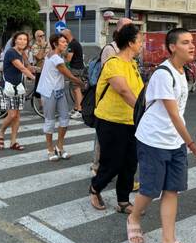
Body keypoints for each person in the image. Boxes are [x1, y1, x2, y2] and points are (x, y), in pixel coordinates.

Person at [127, 28, 196, 243]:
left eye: (192, 42)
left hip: (174, 141)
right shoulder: (164, 73)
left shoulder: (183, 71)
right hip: (154, 140)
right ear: (172, 47)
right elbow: (172, 113)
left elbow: (178, 113)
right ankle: (133, 218)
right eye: (185, 42)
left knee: (172, 190)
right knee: (150, 190)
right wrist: (192, 144)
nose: (192, 46)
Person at [89, 24, 144, 212]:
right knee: (113, 162)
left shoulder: (133, 64)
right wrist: (143, 111)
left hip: (131, 121)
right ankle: (95, 188)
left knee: (130, 163)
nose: (142, 44)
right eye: (140, 40)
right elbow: (123, 90)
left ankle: (123, 200)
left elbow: (138, 91)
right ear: (130, 43)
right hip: (110, 121)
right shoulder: (114, 63)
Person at [93, 17, 133, 176]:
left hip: (121, 105)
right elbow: (110, 75)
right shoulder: (111, 49)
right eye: (128, 27)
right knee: (103, 138)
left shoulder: (128, 49)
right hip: (108, 101)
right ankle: (97, 167)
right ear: (119, 30)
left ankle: (114, 169)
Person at [36, 33, 84, 160]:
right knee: (50, 121)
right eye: (62, 42)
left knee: (64, 119)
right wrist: (79, 82)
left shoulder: (53, 54)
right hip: (49, 92)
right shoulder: (56, 58)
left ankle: (60, 147)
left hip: (59, 91)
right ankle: (50, 149)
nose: (66, 44)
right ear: (55, 44)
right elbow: (66, 73)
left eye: (65, 42)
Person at [0, 32, 35, 151]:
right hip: (8, 87)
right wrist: (35, 78)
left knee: (17, 116)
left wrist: (38, 70)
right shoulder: (11, 52)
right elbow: (22, 68)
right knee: (12, 114)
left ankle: (13, 141)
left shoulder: (22, 53)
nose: (23, 41)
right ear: (15, 41)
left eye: (25, 40)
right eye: (20, 39)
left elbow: (28, 66)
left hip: (18, 87)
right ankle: (1, 133)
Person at [62, 29, 85, 119]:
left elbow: (68, 59)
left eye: (63, 37)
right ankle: (76, 108)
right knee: (73, 89)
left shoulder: (72, 44)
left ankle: (80, 110)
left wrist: (63, 52)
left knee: (76, 89)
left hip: (76, 69)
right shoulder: (74, 43)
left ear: (67, 36)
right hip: (76, 68)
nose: (63, 39)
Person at [30, 30, 49, 94]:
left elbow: (49, 55)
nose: (43, 37)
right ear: (36, 37)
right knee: (38, 91)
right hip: (39, 70)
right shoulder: (34, 46)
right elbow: (39, 57)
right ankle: (40, 103)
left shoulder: (47, 44)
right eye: (41, 36)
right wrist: (43, 47)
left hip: (47, 69)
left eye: (44, 35)